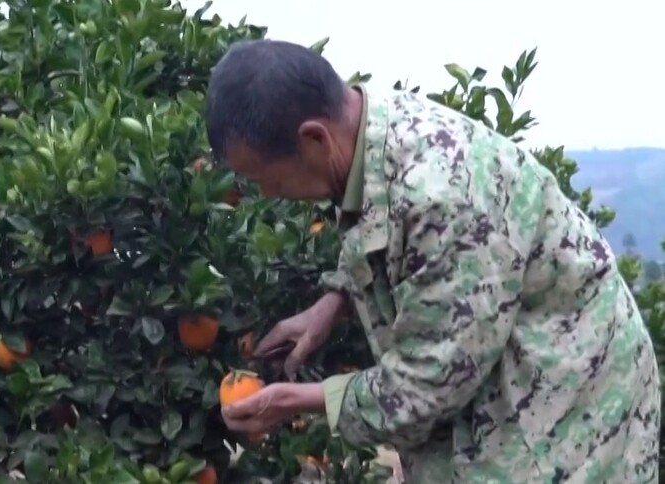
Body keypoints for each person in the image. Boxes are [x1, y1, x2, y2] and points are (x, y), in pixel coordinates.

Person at [204, 39, 661, 483]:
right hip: (511, 376)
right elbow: (386, 232)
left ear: (313, 138)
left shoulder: (440, 195)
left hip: (572, 414)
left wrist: (299, 400)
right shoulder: (361, 128)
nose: (267, 193)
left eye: (264, 177)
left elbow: (427, 385)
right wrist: (335, 300)